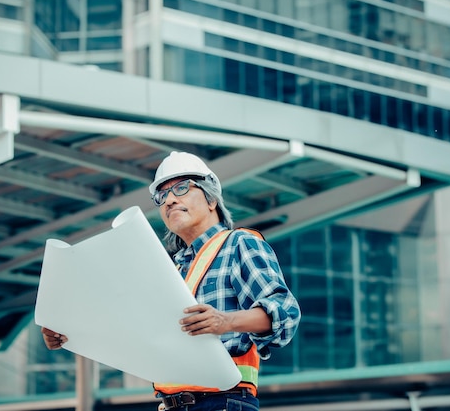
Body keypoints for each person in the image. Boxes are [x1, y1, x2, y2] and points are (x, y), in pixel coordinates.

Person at [41, 151, 301, 411]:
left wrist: (225, 322)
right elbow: (139, 334)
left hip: (223, 401)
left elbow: (286, 312)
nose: (170, 200)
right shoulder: (173, 268)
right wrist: (69, 332)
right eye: (162, 196)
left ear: (212, 200)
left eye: (182, 188)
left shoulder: (239, 243)